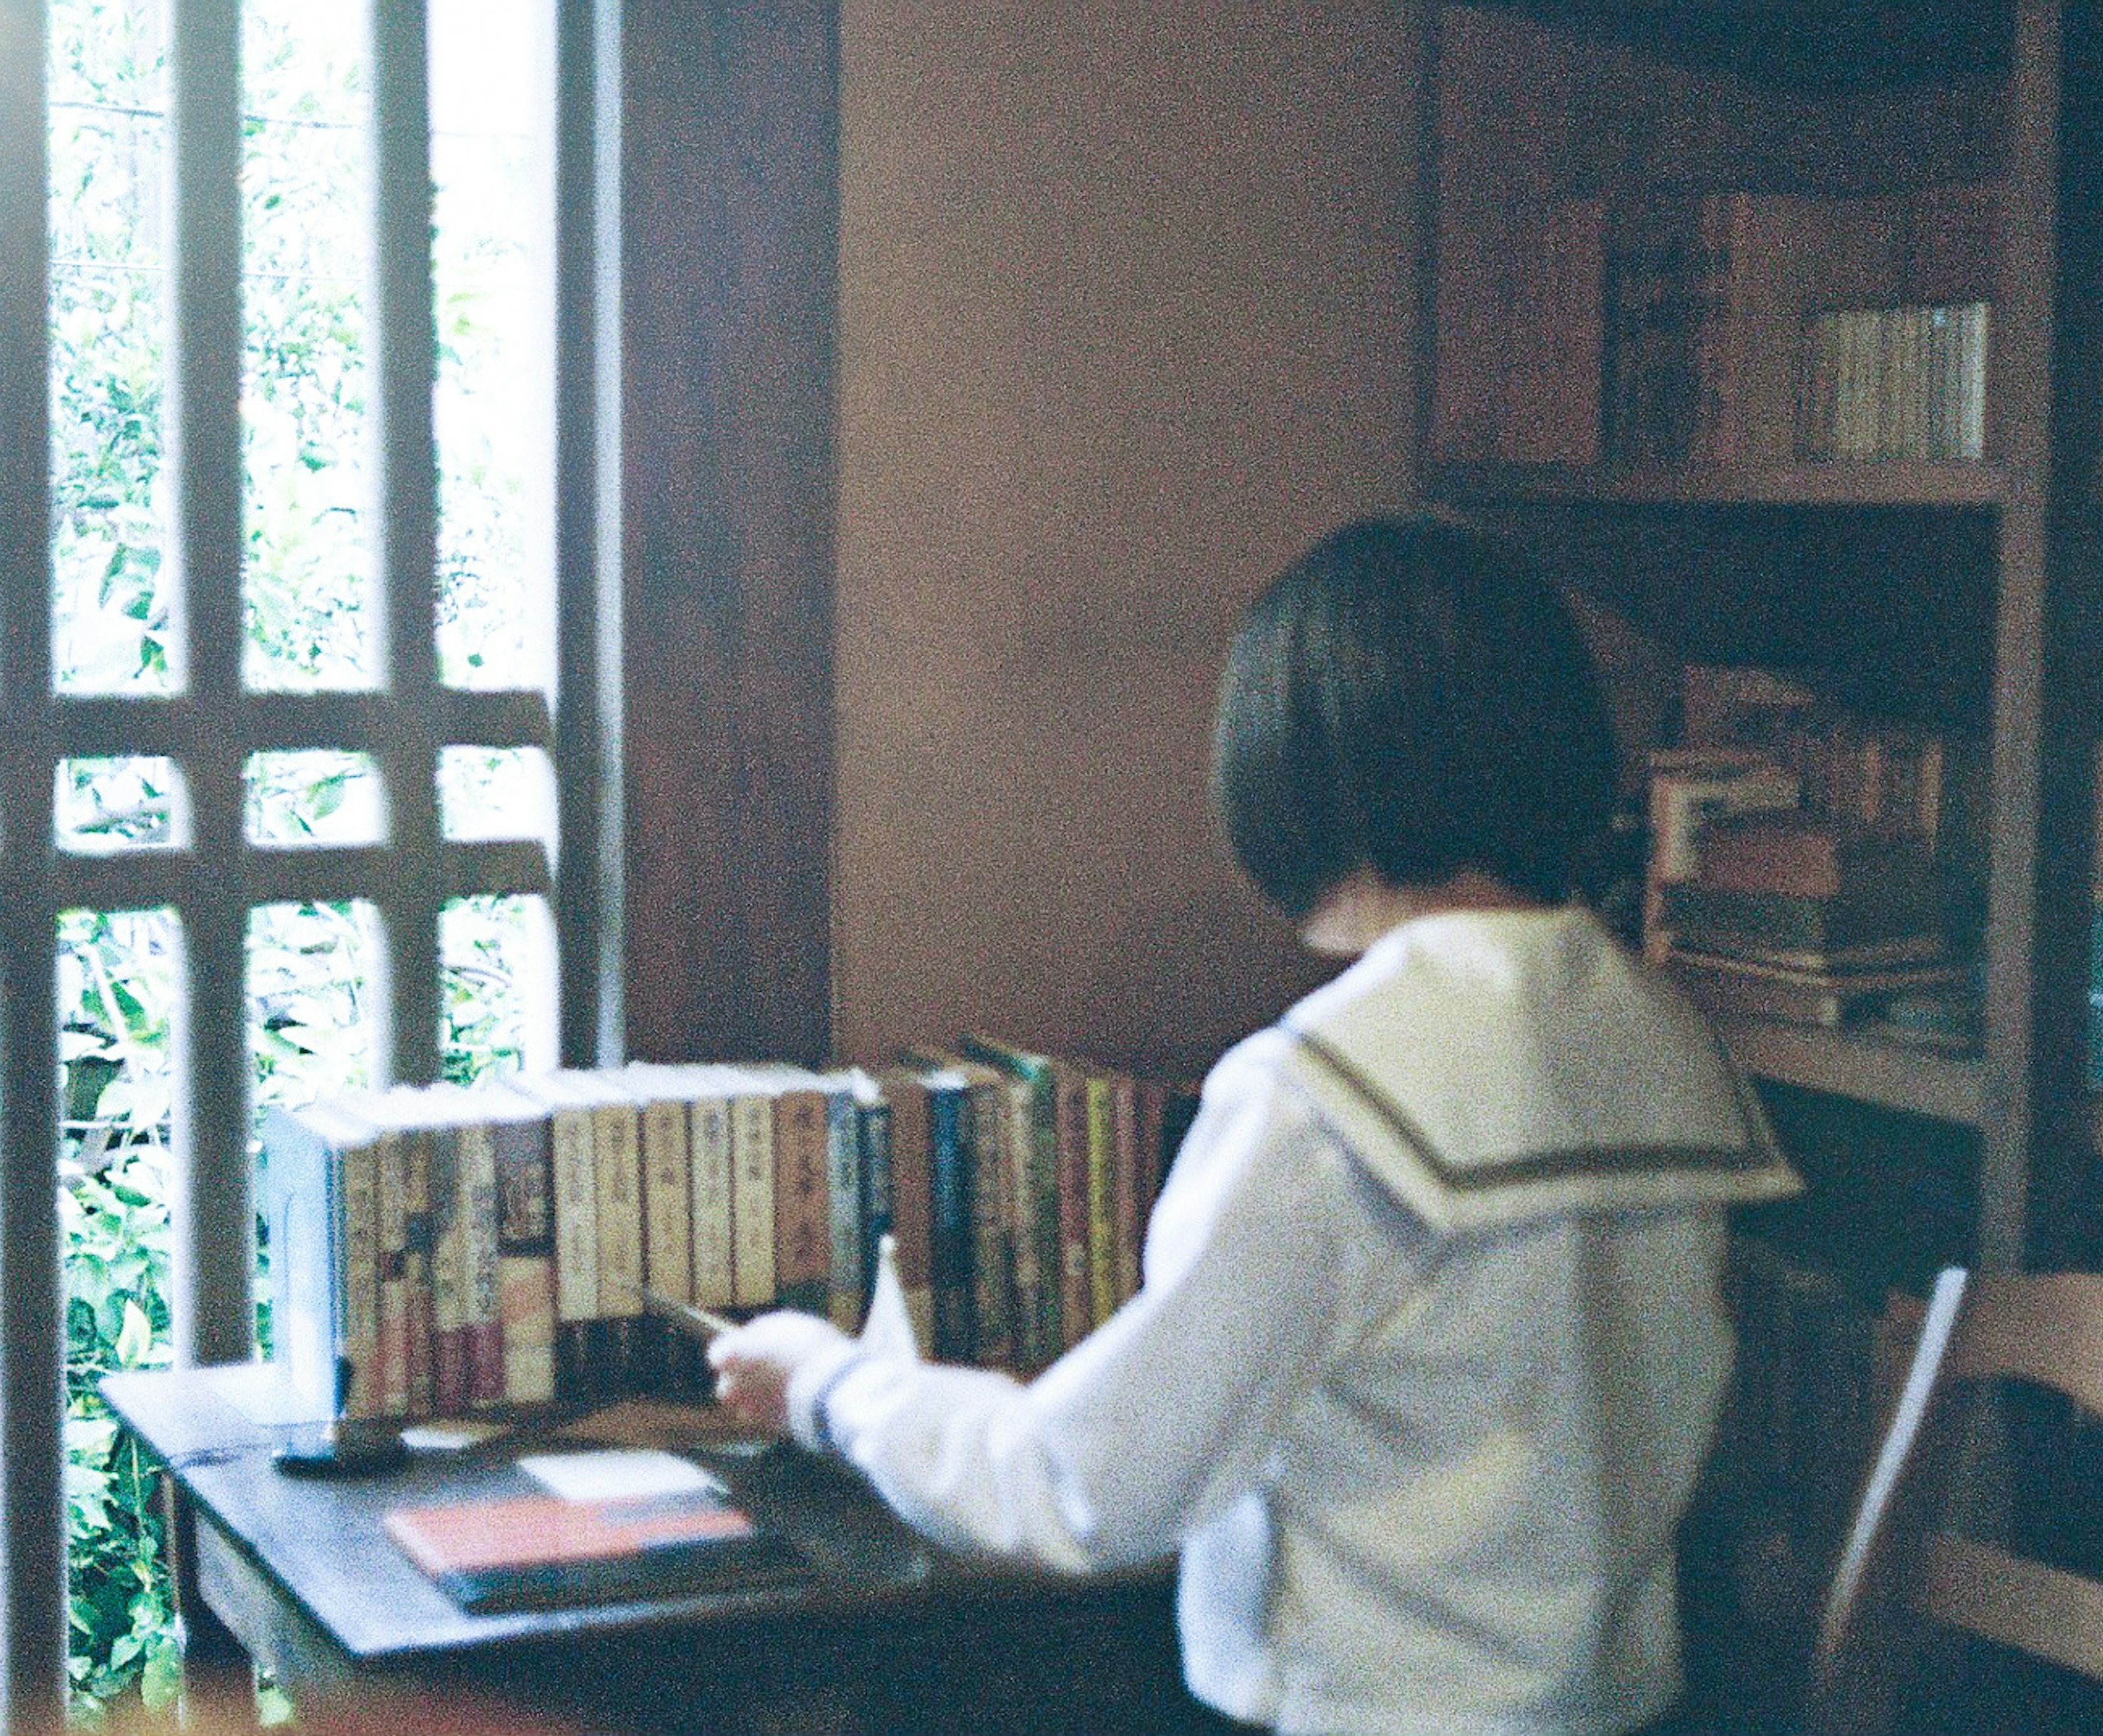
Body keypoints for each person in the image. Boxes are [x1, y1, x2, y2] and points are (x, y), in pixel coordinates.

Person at [709, 515, 1798, 1735]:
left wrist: (831, 1387)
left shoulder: (1327, 1090)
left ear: (1294, 770)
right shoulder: (1665, 1038)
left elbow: (1081, 1492)